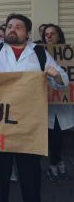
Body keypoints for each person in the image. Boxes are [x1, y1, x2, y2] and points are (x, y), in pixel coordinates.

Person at [0, 0, 68, 202]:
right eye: (9, 26)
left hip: (28, 126)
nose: (12, 30)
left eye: (18, 27)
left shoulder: (38, 52)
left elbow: (63, 80)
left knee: (30, 176)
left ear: (27, 33)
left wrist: (56, 75)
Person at [41, 23, 74, 182]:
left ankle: (57, 162)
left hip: (64, 103)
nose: (48, 36)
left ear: (59, 36)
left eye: (52, 33)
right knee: (51, 135)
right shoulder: (38, 53)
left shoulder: (69, 54)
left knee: (59, 135)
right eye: (46, 34)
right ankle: (54, 164)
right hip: (46, 104)